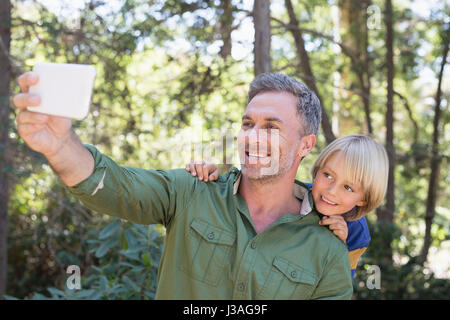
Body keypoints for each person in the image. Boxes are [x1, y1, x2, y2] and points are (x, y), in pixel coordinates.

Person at [13, 71, 353, 299]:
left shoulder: (327, 249)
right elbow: (113, 185)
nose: (252, 137)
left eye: (271, 127)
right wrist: (59, 145)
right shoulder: (192, 190)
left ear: (306, 145)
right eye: (247, 123)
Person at [186, 134, 388, 278]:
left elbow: (340, 287)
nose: (331, 191)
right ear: (317, 171)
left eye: (348, 188)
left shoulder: (357, 233)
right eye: (327, 175)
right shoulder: (293, 196)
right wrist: (213, 177)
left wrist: (339, 248)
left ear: (364, 198)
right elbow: (248, 188)